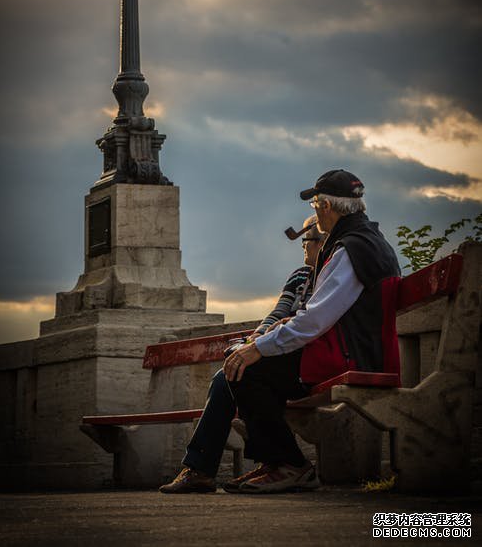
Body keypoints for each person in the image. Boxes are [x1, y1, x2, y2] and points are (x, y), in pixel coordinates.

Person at [160, 169, 400, 494]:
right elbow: (320, 315)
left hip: (349, 359)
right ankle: (269, 464)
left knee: (244, 369)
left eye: (316, 205)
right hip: (352, 352)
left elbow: (314, 320)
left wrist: (257, 348)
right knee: (237, 367)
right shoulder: (365, 242)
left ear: (326, 206)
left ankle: (288, 464)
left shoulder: (350, 249)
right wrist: (266, 340)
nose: (315, 214)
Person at [159, 216, 325, 494]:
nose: (303, 247)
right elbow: (278, 312)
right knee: (227, 374)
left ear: (323, 242)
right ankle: (201, 469)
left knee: (240, 372)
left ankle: (280, 463)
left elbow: (310, 321)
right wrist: (256, 338)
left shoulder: (331, 276)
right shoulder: (299, 276)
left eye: (307, 240)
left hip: (302, 362)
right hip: (279, 355)